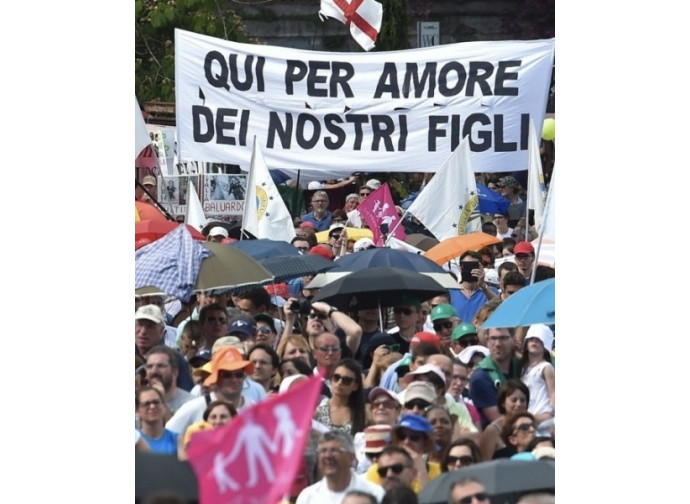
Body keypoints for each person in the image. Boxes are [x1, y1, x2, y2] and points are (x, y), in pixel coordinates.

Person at [165, 346, 257, 435]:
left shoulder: (256, 409)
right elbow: (165, 439)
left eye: (239, 374)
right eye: (227, 375)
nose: (234, 380)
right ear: (216, 378)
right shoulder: (193, 408)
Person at [296, 430, 385, 504]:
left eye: (334, 450)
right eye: (323, 451)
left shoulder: (375, 493)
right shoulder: (307, 497)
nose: (328, 456)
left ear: (351, 458)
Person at [365, 414, 440, 493]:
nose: (406, 441)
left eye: (414, 437)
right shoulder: (378, 469)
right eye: (402, 436)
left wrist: (421, 470)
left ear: (426, 443)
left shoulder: (438, 470)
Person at [469, 327, 520, 428]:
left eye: (503, 338)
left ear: (513, 341)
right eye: (493, 338)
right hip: (499, 436)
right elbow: (500, 421)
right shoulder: (480, 377)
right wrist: (538, 418)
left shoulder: (520, 366)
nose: (497, 344)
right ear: (487, 341)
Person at [136, 305, 194, 392]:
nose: (143, 331)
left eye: (150, 326)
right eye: (140, 325)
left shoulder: (175, 359)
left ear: (161, 330)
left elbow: (186, 393)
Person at [477, 379, 530, 461]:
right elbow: (482, 464)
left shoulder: (530, 428)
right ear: (503, 403)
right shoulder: (492, 431)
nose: (519, 404)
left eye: (522, 400)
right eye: (514, 400)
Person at [314, 358, 367, 436]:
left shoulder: (362, 414)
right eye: (336, 377)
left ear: (355, 386)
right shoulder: (318, 410)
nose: (339, 383)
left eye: (346, 380)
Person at [519, 325, 555, 434]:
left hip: (544, 417)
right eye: (531, 338)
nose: (534, 341)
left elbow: (553, 393)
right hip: (528, 416)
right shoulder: (524, 367)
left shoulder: (546, 367)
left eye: (539, 339)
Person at [449, 251, 496, 325]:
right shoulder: (450, 292)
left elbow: (501, 306)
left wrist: (483, 286)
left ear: (481, 267)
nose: (470, 269)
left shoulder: (489, 291)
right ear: (460, 268)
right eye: (467, 265)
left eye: (473, 265)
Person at [144, 345, 194, 415]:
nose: (153, 371)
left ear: (174, 373)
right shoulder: (139, 401)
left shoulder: (191, 403)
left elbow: (175, 426)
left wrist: (161, 401)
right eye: (149, 366)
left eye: (160, 366)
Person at [136, 386, 178, 456]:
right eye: (146, 404)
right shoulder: (135, 440)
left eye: (156, 402)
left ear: (164, 406)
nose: (152, 406)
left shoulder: (177, 439)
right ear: (137, 411)